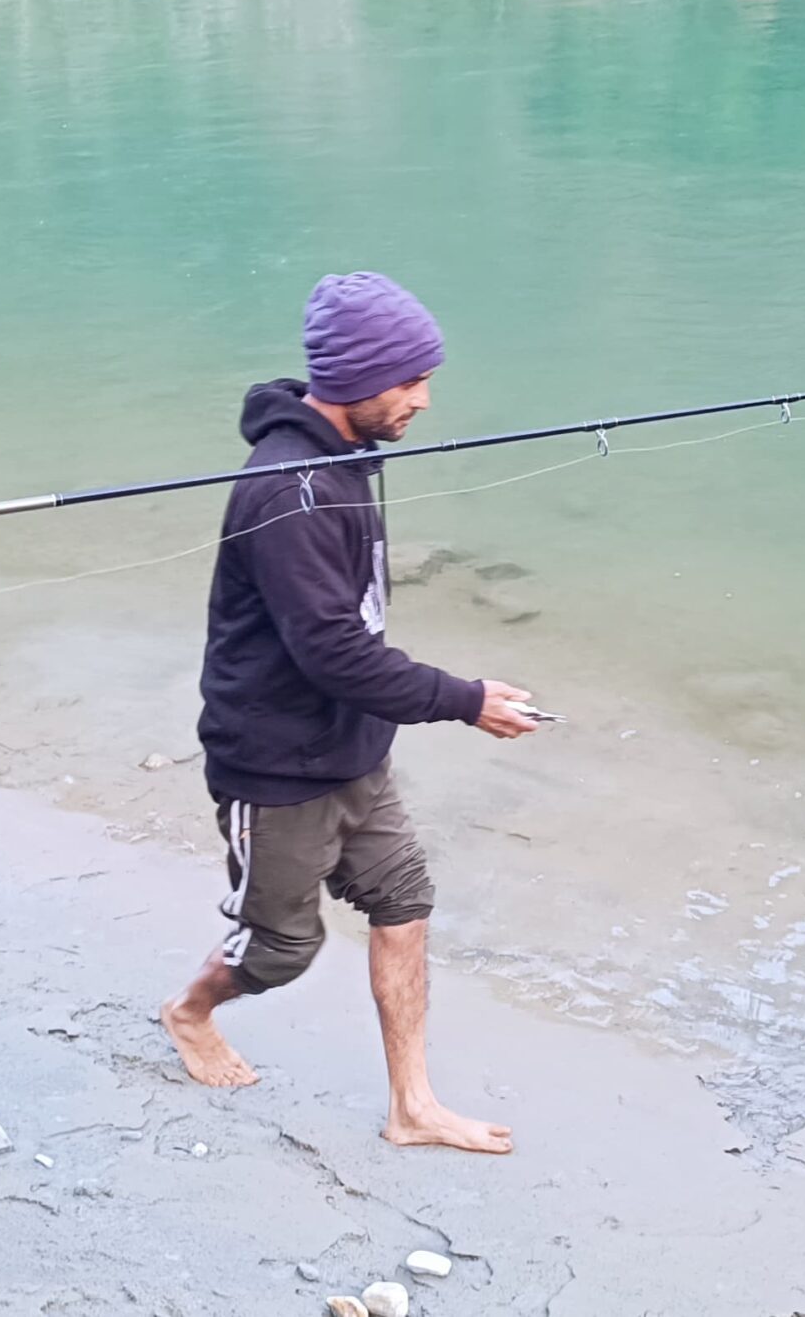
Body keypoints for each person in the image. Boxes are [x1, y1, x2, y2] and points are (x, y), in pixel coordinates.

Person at [159, 271, 540, 1155]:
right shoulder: (285, 492)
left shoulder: (347, 456)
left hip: (354, 747)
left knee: (404, 900)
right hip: (274, 766)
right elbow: (332, 650)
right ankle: (189, 1009)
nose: (423, 399)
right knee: (282, 949)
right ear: (357, 378)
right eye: (410, 380)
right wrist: (467, 700)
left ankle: (414, 1105)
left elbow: (346, 642)